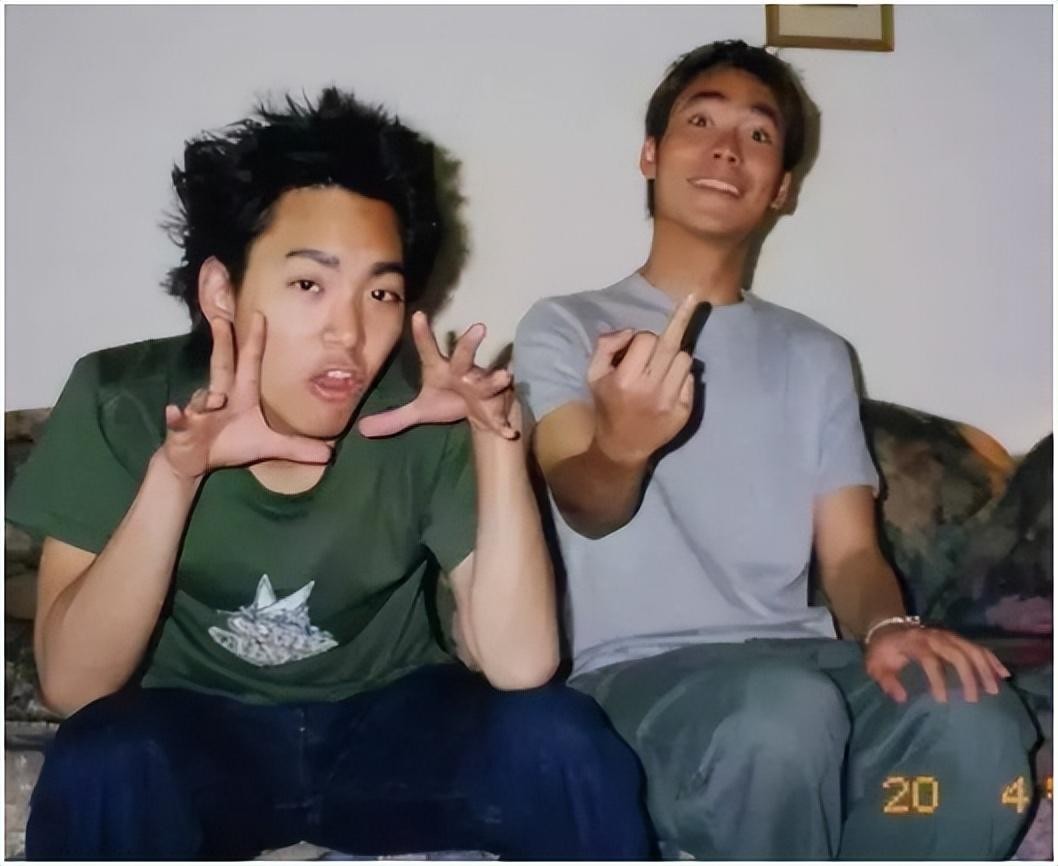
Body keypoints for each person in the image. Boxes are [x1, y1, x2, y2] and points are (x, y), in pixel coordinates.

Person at [6, 87, 652, 861]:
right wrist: (175, 476)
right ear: (221, 290)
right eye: (309, 284)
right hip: (196, 731)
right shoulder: (123, 400)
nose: (349, 331)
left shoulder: (424, 412)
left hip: (393, 726)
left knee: (564, 742)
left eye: (380, 292)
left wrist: (495, 439)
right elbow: (73, 684)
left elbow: (521, 665)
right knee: (102, 762)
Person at [513, 40, 1037, 859]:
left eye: (758, 135)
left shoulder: (816, 354)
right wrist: (623, 446)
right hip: (637, 675)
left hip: (806, 662)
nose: (727, 148)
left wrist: (890, 626)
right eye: (700, 122)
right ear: (650, 155)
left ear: (782, 186)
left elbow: (852, 554)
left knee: (975, 714)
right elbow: (585, 501)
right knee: (782, 714)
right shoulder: (568, 325)